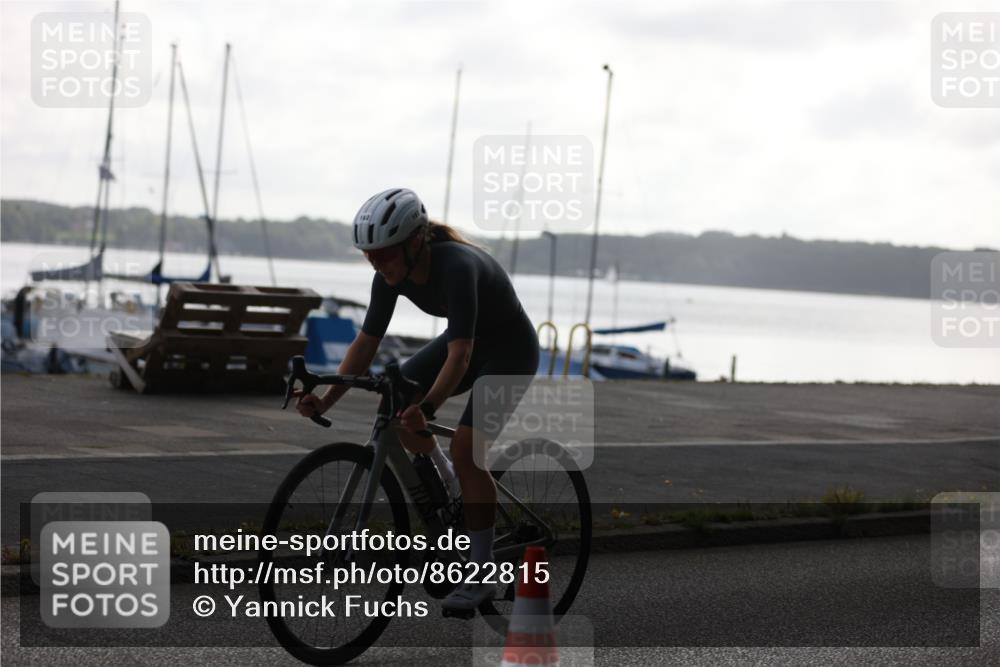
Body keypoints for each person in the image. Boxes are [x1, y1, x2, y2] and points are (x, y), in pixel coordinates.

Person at [296, 187, 539, 612]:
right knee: (393, 405)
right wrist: (326, 399)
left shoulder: (458, 266)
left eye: (384, 253)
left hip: (510, 352)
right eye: (369, 255)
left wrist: (426, 410)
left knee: (466, 450)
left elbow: (460, 355)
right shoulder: (389, 277)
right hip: (467, 345)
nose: (376, 262)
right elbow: (366, 344)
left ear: (414, 242)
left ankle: (480, 579)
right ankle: (449, 488)